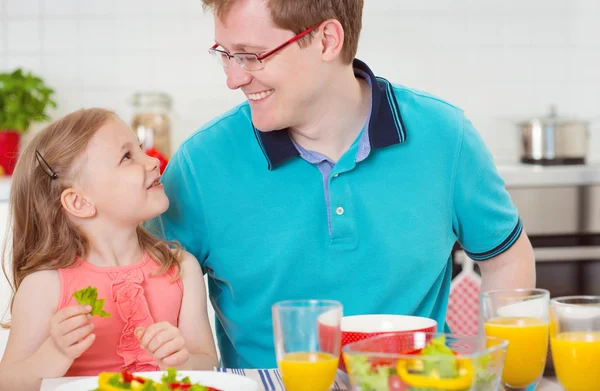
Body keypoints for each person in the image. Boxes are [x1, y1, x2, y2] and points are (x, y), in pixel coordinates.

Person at [151, 0, 536, 368]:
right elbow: (137, 280)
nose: (234, 79)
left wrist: (511, 379)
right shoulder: (200, 165)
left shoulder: (445, 137)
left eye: (252, 55)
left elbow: (507, 259)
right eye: (226, 54)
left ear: (326, 40)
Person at [0, 108, 218, 391]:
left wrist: (182, 362)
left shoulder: (180, 267)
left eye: (139, 149)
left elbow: (209, 364)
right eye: (127, 157)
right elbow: (8, 383)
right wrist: (57, 350)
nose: (153, 160)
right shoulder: (45, 286)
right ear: (79, 202)